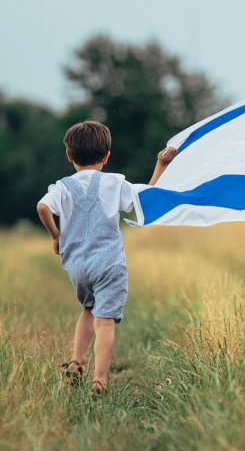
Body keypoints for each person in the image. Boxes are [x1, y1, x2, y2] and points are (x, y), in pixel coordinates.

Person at [36, 121, 177, 395]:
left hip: (77, 265)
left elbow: (42, 207)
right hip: (109, 264)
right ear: (106, 156)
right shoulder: (114, 182)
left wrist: (56, 236)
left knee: (88, 309)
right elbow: (146, 196)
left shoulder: (62, 187)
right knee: (105, 321)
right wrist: (161, 164)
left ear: (69, 155)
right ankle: (99, 380)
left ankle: (76, 361)